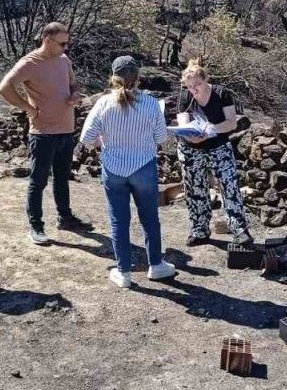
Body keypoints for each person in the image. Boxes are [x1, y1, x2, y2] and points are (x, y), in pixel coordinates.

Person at [79, 56, 176, 288]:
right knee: (150, 218)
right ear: (138, 77)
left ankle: (123, 272)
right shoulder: (152, 104)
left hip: (113, 169)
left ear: (113, 77)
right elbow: (161, 138)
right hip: (144, 166)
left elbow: (86, 138)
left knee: (119, 220)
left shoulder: (103, 103)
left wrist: (105, 143)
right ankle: (156, 265)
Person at [0, 22, 93, 245]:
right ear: (47, 40)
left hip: (66, 129)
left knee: (62, 178)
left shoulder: (64, 60)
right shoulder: (30, 63)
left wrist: (74, 95)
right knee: (38, 181)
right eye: (62, 43)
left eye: (67, 43)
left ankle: (65, 218)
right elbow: (4, 88)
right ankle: (36, 226)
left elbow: (74, 84)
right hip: (43, 132)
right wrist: (27, 108)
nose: (65, 47)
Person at [174, 59, 252, 246]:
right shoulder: (185, 96)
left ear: (205, 80)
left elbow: (231, 123)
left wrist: (211, 130)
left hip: (218, 146)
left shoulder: (222, 93)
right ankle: (199, 230)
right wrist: (190, 136)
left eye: (197, 84)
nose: (194, 89)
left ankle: (239, 229)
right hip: (192, 149)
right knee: (194, 189)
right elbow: (183, 121)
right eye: (190, 86)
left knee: (229, 185)